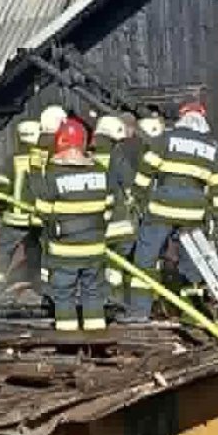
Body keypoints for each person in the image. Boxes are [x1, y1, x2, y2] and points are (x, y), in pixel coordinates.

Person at [128, 101, 218, 320]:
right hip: (193, 214)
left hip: (162, 209)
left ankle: (139, 312)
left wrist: (137, 196)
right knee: (192, 264)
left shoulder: (166, 139)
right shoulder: (211, 148)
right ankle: (192, 312)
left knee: (145, 258)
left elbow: (147, 168)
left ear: (181, 118)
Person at [28, 117, 112, 332]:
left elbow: (44, 212)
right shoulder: (100, 171)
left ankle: (68, 343)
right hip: (95, 249)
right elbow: (109, 208)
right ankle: (96, 340)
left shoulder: (55, 174)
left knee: (63, 294)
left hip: (65, 252)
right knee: (93, 293)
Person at [0, 119, 42, 296]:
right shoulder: (43, 158)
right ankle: (41, 288)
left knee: (4, 253)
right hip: (38, 219)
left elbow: (2, 187)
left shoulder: (12, 160)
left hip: (14, 220)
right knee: (37, 252)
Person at [91, 115, 138, 309]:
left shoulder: (88, 160)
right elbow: (131, 189)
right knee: (119, 268)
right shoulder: (121, 158)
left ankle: (111, 302)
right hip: (122, 225)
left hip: (98, 226)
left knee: (108, 269)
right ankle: (120, 302)